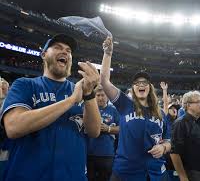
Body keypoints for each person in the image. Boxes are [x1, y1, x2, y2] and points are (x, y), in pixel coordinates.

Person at [0, 34, 101, 181]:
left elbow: (94, 131)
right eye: (58, 47)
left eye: (68, 50)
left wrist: (89, 94)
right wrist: (71, 100)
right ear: (44, 54)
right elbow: (13, 127)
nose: (65, 51)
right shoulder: (25, 85)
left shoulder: (81, 90)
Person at [100, 37, 171, 181]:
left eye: (145, 82)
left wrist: (164, 148)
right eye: (137, 83)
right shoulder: (125, 104)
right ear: (133, 88)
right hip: (126, 173)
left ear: (150, 88)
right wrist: (107, 54)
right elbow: (104, 81)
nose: (141, 85)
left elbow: (169, 140)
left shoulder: (161, 113)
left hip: (157, 173)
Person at [87, 85, 120, 181]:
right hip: (88, 153)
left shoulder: (114, 110)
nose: (100, 98)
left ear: (107, 97)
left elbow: (123, 129)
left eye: (103, 95)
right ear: (94, 96)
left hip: (107, 154)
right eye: (98, 95)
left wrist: (108, 128)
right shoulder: (87, 108)